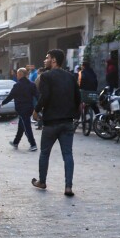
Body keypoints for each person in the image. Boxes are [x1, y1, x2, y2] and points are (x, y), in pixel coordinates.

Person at [32, 49, 80, 196]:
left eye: (47, 58)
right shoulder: (71, 76)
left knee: (44, 153)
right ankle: (68, 187)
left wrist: (36, 110)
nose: (45, 60)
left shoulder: (46, 76)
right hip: (67, 122)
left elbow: (45, 96)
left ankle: (42, 181)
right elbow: (78, 98)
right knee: (68, 154)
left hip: (51, 122)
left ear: (53, 60)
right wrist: (75, 115)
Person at [2, 67, 38, 151]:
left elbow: (11, 96)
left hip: (21, 109)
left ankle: (33, 144)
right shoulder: (32, 84)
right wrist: (39, 106)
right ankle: (16, 142)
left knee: (27, 127)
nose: (16, 76)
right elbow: (37, 96)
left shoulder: (17, 85)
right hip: (29, 108)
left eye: (17, 74)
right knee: (21, 126)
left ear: (20, 74)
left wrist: (3, 102)